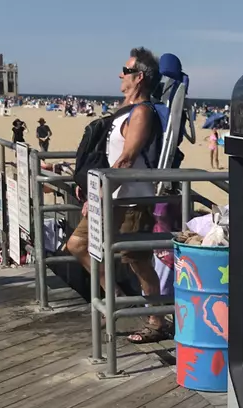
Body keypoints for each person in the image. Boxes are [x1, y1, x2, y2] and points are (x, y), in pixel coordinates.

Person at [65, 47, 171, 344]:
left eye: (124, 71)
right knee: (77, 245)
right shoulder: (123, 111)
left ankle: (157, 322)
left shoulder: (142, 113)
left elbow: (126, 159)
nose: (119, 75)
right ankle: (116, 299)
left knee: (139, 263)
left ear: (138, 77)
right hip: (111, 197)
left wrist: (96, 194)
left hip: (132, 200)